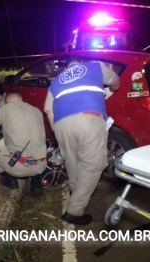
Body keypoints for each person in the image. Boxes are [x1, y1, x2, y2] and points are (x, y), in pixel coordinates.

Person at [44, 59, 120, 225]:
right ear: (80, 64)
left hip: (61, 125)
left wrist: (57, 131)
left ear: (66, 68)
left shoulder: (56, 82)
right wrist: (112, 88)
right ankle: (75, 211)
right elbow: (116, 82)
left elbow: (49, 111)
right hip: (89, 119)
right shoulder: (94, 66)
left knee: (72, 160)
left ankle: (74, 190)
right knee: (93, 165)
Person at [0, 90, 47, 197]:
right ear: (21, 100)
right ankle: (36, 182)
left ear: (7, 100)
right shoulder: (36, 110)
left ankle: (9, 178)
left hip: (17, 167)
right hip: (40, 165)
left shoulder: (5, 108)